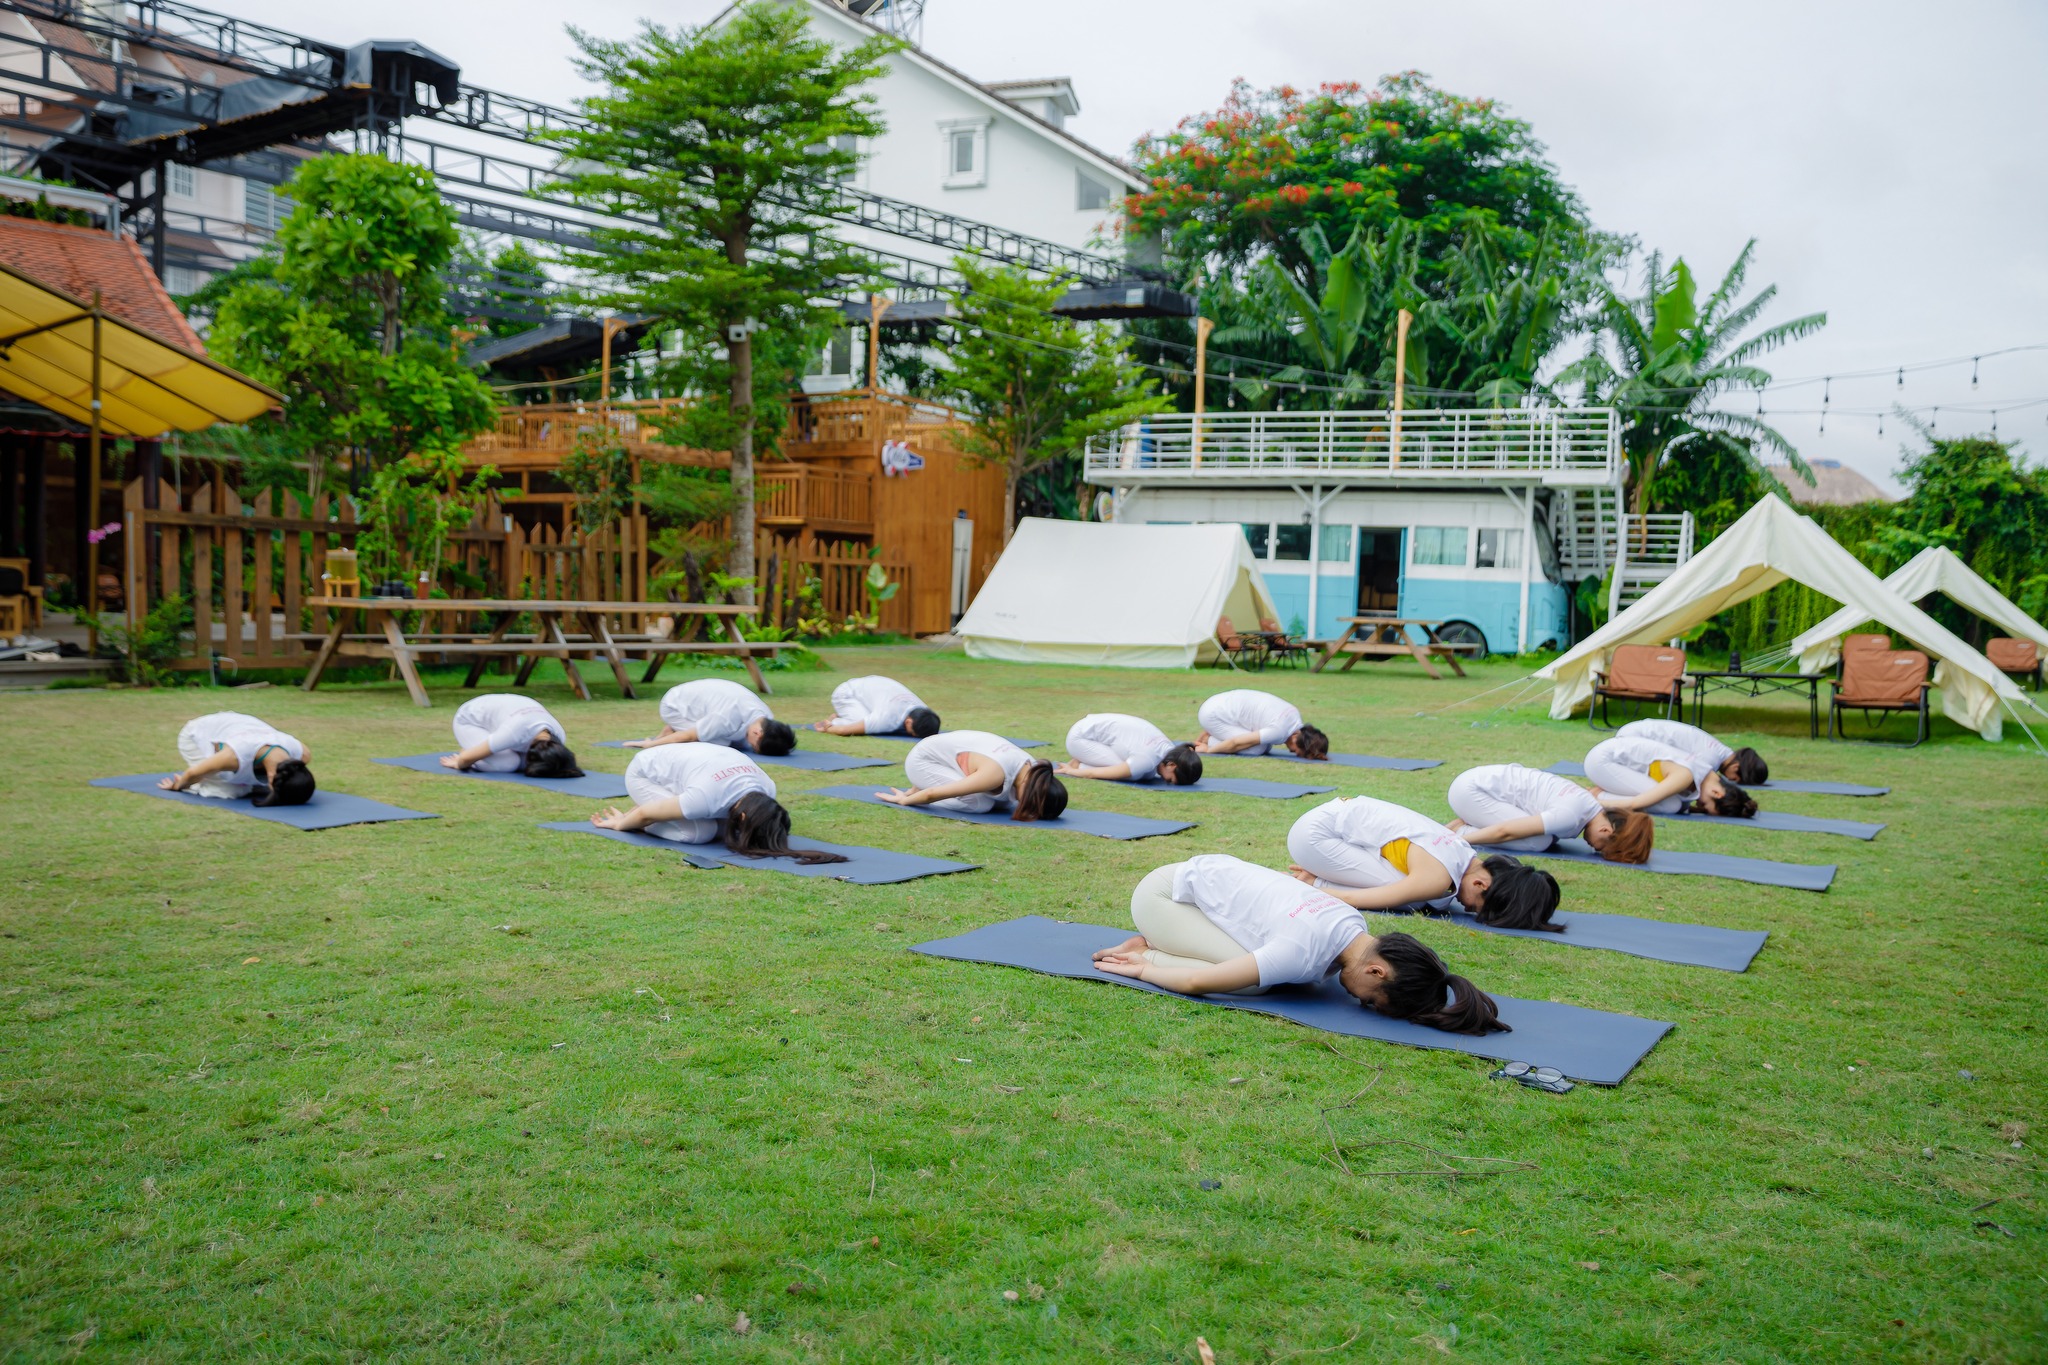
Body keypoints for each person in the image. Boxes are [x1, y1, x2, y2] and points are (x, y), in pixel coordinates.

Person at [1090, 854, 1508, 1035]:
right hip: (1162, 897)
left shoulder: (1353, 923)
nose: (1361, 1003)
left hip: (1194, 880)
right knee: (1253, 983)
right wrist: (1144, 966)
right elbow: (1200, 981)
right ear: (1376, 971)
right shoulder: (1302, 953)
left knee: (1261, 970)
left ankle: (1159, 942)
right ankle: (1146, 945)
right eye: (1371, 1001)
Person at [1286, 794, 1562, 931]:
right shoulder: (1438, 878)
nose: (1467, 908)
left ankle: (1316, 877)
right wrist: (1315, 891)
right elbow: (1367, 898)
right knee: (1414, 899)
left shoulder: (1462, 850)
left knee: (1429, 897)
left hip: (1327, 823)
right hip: (1315, 837)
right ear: (1481, 883)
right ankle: (1312, 880)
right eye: (1477, 907)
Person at [592, 743, 847, 865]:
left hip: (691, 769)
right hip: (644, 772)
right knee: (698, 833)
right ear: (744, 817)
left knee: (717, 828)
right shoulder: (705, 798)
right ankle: (664, 807)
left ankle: (669, 807)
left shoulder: (767, 789)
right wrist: (621, 824)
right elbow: (647, 814)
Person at [1446, 762, 1655, 865]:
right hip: (1471, 792)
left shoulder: (1588, 805)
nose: (1596, 849)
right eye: (1604, 847)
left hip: (1476, 785)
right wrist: (1458, 841)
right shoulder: (1571, 815)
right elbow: (1504, 832)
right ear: (1605, 829)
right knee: (1538, 842)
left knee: (1546, 838)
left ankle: (1469, 822)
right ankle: (1461, 829)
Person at [877, 729, 1069, 821]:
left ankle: (923, 784)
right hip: (923, 761)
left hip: (948, 756)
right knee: (981, 805)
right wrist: (905, 800)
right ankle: (920, 783)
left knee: (1001, 803)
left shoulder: (1033, 770)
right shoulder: (994, 774)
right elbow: (932, 794)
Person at [1584, 733, 1758, 819]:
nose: (1699, 805)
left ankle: (1597, 793)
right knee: (1670, 805)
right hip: (1602, 761)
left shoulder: (1703, 770)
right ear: (1717, 793)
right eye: (1705, 805)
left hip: (1608, 759)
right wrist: (1599, 805)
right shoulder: (1686, 775)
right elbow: (1636, 803)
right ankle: (1593, 796)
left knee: (1674, 804)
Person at [160, 711, 315, 806]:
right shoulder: (234, 756)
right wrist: (178, 786)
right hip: (197, 733)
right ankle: (200, 787)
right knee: (231, 791)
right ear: (271, 777)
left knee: (250, 785)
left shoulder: (302, 754)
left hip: (240, 725)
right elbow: (192, 774)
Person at [625, 677, 796, 756]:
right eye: (756, 747)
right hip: (674, 706)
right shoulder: (726, 718)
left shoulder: (766, 716)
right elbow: (688, 736)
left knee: (735, 741)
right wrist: (651, 744)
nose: (753, 748)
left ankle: (679, 727)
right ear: (758, 733)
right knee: (720, 744)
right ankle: (672, 727)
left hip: (698, 699)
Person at [441, 693, 583, 778]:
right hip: (470, 720)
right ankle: (471, 747)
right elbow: (465, 759)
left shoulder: (558, 737)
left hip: (505, 711)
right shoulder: (513, 732)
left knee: (519, 763)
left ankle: (483, 750)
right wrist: (461, 762)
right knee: (508, 764)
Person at [1055, 713, 1202, 786]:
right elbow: (1094, 774)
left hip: (1090, 729)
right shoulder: (1147, 758)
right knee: (1133, 775)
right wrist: (1071, 771)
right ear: (1172, 765)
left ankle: (1084, 759)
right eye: (1170, 780)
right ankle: (1079, 764)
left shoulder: (1170, 749)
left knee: (1147, 774)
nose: (1166, 781)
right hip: (1079, 739)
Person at [1616, 718, 1768, 786]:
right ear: (1736, 768)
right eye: (1734, 779)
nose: (1730, 780)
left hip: (1635, 731)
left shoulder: (1718, 751)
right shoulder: (1712, 758)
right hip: (1634, 739)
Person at [1192, 688, 1329, 760]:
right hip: (1213, 714)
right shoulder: (1280, 730)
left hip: (1219, 704)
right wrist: (1209, 750)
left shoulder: (1295, 717)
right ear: (1296, 739)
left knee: (1265, 745)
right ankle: (1208, 740)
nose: (1296, 754)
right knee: (1257, 749)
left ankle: (1213, 733)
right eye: (1300, 753)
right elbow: (1235, 743)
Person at [814, 674, 941, 738]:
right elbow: (844, 731)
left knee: (867, 719)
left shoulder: (923, 709)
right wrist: (828, 728)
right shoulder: (887, 718)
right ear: (908, 722)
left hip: (871, 688)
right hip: (847, 693)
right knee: (858, 723)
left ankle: (845, 715)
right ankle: (836, 720)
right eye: (912, 734)